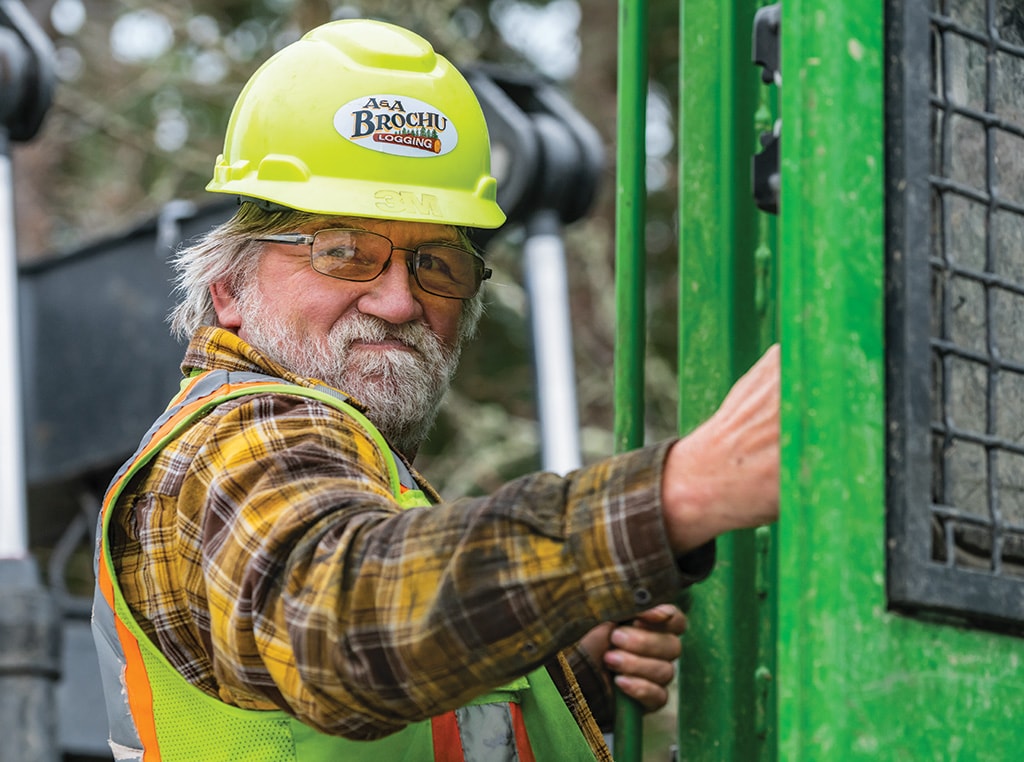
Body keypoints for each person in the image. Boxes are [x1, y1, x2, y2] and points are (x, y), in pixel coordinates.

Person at [91, 18, 780, 762]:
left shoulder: (369, 476)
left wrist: (558, 661)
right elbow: (346, 623)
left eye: (437, 265)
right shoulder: (236, 441)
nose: (398, 301)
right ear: (229, 288)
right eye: (343, 252)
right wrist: (679, 492)